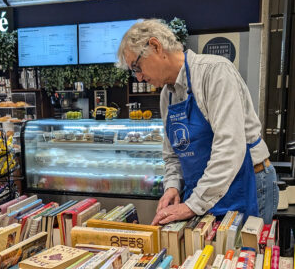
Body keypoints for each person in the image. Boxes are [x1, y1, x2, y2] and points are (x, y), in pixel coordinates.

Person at [117, 19, 278, 225]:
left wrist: (193, 205)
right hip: (204, 190)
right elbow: (173, 155)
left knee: (239, 255)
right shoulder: (168, 95)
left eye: (136, 67)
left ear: (156, 46)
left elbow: (230, 147)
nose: (138, 78)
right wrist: (173, 186)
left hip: (247, 183)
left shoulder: (215, 72)